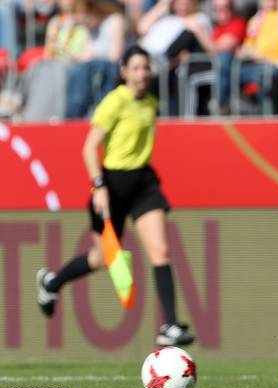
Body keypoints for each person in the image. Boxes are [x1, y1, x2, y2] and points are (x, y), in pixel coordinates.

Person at [36, 45, 195, 347]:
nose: (141, 74)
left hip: (143, 183)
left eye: (145, 68)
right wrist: (99, 187)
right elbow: (88, 148)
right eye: (135, 68)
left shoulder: (150, 101)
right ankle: (52, 283)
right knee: (101, 259)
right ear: (124, 72)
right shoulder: (114, 102)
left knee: (160, 251)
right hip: (110, 184)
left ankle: (169, 325)